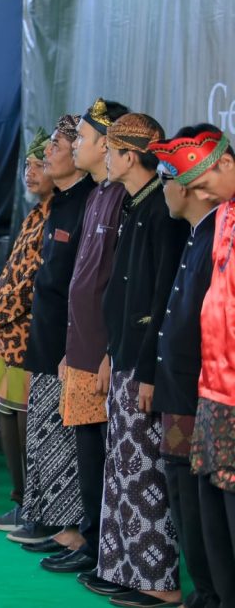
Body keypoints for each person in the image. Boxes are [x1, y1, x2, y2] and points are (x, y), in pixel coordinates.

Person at [90, 113, 186, 605]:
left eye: (110, 149)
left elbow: (161, 298)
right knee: (122, 470)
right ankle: (126, 569)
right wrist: (111, 353)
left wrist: (148, 370)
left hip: (146, 363)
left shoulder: (159, 213)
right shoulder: (135, 205)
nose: (104, 157)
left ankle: (159, 581)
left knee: (145, 472)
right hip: (125, 354)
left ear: (131, 156)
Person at [43, 98, 130, 578]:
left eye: (82, 137)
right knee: (85, 453)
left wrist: (107, 353)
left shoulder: (122, 198)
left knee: (102, 455)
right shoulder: (98, 193)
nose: (75, 144)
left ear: (109, 143)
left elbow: (118, 284)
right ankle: (90, 541)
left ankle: (103, 548)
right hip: (79, 349)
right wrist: (70, 349)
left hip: (102, 354)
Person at [160, 125, 235, 607]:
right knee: (211, 503)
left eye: (202, 181)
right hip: (213, 388)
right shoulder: (224, 218)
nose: (196, 193)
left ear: (226, 164)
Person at [15, 115, 93, 554]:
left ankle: (71, 527)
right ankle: (47, 515)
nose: (48, 153)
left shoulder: (87, 202)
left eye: (62, 143)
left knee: (64, 437)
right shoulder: (59, 203)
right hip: (43, 335)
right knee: (43, 432)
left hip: (69, 341)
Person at [0, 129, 56, 534]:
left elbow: (29, 281)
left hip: (26, 336)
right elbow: (8, 273)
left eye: (39, 163)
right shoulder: (33, 214)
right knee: (6, 417)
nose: (30, 172)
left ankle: (35, 506)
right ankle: (20, 499)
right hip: (7, 338)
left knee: (26, 423)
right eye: (27, 164)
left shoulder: (55, 215)